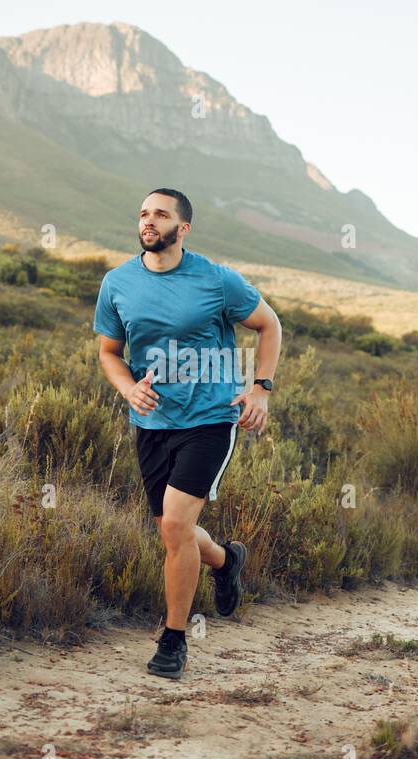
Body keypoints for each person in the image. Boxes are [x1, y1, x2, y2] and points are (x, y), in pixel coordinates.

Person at [94, 188, 283, 678]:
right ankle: (225, 562)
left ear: (184, 227)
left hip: (210, 418)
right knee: (169, 529)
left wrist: (259, 388)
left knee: (176, 527)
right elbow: (109, 353)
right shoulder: (118, 283)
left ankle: (174, 640)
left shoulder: (217, 280)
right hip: (152, 421)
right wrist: (128, 389)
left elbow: (269, 324)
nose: (148, 221)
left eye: (160, 214)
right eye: (143, 214)